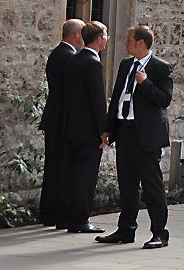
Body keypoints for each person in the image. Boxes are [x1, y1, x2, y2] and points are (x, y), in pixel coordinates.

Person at [95, 26, 173, 249]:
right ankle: (126, 229)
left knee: (152, 186)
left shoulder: (161, 67)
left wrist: (145, 83)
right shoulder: (125, 64)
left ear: (141, 43)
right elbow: (118, 96)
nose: (125, 43)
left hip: (147, 136)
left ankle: (160, 233)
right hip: (125, 131)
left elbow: (164, 100)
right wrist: (108, 128)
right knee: (127, 184)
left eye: (129, 40)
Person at [61, 20, 109, 234]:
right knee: (86, 176)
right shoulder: (93, 63)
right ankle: (80, 219)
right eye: (106, 35)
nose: (107, 39)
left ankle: (71, 216)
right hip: (88, 131)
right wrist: (104, 131)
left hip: (71, 127)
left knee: (73, 173)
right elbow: (97, 102)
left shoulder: (74, 60)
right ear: (99, 39)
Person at [39, 18, 84, 228]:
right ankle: (55, 212)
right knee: (60, 168)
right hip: (61, 121)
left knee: (54, 168)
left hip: (55, 118)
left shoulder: (59, 53)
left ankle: (49, 212)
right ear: (76, 35)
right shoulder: (68, 57)